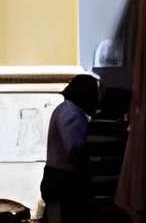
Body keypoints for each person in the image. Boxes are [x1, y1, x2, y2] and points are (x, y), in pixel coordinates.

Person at [42, 73, 102, 223]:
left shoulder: (64, 110)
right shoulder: (72, 113)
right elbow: (75, 148)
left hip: (57, 181)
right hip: (65, 184)